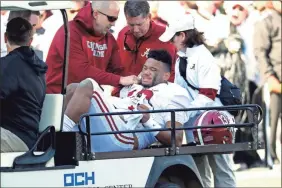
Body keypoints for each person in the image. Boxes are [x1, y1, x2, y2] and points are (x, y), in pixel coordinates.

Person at [159, 14, 236, 188]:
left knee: (221, 168)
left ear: (183, 36)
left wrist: (184, 113)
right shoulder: (181, 58)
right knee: (201, 169)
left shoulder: (204, 57)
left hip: (213, 121)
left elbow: (208, 94)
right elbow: (180, 91)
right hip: (194, 122)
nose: (171, 41)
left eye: (173, 37)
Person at [63, 49, 190, 152]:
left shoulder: (173, 93)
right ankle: (59, 136)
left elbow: (177, 139)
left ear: (166, 76)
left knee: (88, 84)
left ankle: (60, 137)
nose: (146, 72)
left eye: (153, 70)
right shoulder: (135, 86)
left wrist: (148, 120)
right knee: (73, 88)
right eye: (145, 68)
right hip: (109, 127)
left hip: (125, 136)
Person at [46, 1, 138, 94]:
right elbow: (80, 71)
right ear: (96, 14)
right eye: (111, 18)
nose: (113, 24)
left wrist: (137, 81)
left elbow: (117, 71)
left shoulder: (109, 38)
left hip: (87, 96)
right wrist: (119, 80)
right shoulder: (70, 32)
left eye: (115, 19)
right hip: (58, 97)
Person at [0, 17, 48, 152]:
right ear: (30, 41)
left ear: (5, 38)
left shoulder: (7, 65)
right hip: (29, 138)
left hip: (14, 136)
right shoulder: (38, 69)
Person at [116, 1, 177, 82]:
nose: (136, 30)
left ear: (149, 17)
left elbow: (172, 74)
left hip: (155, 92)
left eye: (140, 24)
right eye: (131, 24)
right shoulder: (123, 33)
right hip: (121, 90)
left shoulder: (166, 37)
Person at [253, 0, 281, 164]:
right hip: (275, 79)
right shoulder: (266, 21)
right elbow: (260, 52)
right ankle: (271, 158)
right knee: (272, 121)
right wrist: (269, 77)